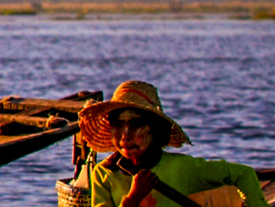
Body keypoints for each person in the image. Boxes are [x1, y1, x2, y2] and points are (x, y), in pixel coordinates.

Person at [81, 81, 269, 207]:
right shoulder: (104, 174)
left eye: (136, 125)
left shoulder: (182, 168)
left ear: (154, 131)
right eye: (118, 126)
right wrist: (134, 197)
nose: (125, 136)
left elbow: (244, 174)